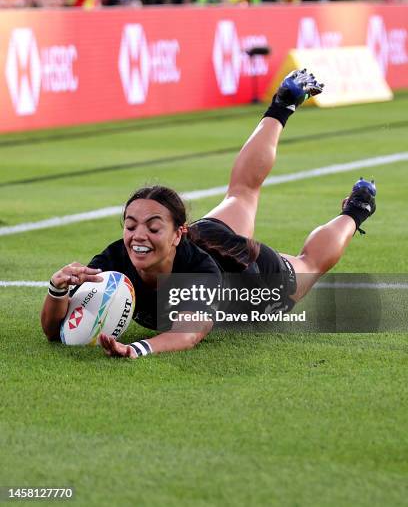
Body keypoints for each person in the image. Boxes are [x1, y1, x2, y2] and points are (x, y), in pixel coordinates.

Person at [41, 70, 377, 358]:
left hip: (249, 275)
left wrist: (139, 348)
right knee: (242, 191)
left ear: (177, 233)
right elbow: (55, 331)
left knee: (309, 264)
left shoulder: (200, 272)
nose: (138, 236)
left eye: (153, 227)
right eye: (130, 225)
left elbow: (190, 333)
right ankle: (283, 104)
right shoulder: (115, 258)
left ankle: (357, 209)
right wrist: (57, 290)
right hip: (206, 233)